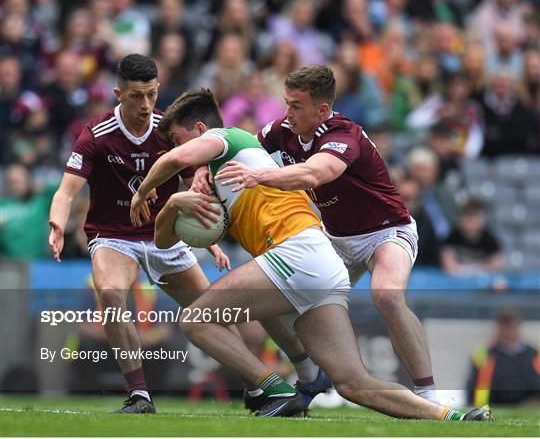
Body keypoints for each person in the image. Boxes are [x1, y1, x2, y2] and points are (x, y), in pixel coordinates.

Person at [130, 88, 492, 422]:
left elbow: (176, 158)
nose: (173, 150)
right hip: (320, 263)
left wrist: (142, 191)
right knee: (353, 383)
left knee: (196, 320)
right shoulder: (220, 176)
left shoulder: (226, 138)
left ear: (199, 130)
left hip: (297, 251)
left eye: (176, 138)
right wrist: (174, 202)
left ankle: (273, 387)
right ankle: (451, 417)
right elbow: (164, 242)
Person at [212, 65, 439, 403]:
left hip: (386, 231)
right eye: (287, 103)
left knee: (387, 297)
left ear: (322, 109)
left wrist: (260, 175)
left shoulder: (343, 134)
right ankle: (309, 373)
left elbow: (317, 173)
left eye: (296, 106)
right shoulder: (282, 129)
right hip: (334, 237)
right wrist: (204, 169)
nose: (287, 113)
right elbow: (237, 144)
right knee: (274, 290)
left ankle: (428, 394)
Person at [47, 54, 230, 414]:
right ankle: (139, 395)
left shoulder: (168, 131)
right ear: (119, 93)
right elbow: (66, 191)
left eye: (150, 94)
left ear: (158, 89)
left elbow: (195, 190)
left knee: (213, 310)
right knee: (112, 295)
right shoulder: (96, 135)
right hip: (114, 236)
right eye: (135, 96)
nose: (145, 104)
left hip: (165, 236)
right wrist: (57, 223)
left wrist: (210, 240)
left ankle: (261, 386)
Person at [467, 306, 540, 406]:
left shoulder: (534, 354)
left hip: (529, 405)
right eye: (503, 324)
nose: (507, 328)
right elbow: (473, 387)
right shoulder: (485, 354)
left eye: (510, 323)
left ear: (518, 324)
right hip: (493, 405)